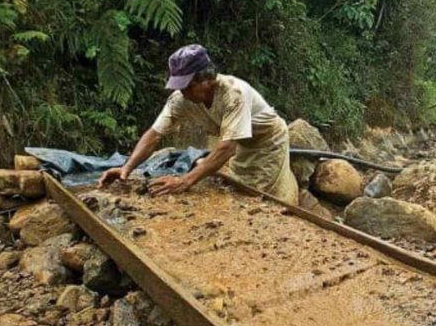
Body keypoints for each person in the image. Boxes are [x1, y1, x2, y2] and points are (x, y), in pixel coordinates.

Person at [98, 44, 298, 205]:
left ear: (207, 79)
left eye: (187, 86)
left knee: (262, 198)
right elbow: (155, 134)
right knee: (239, 189)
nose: (183, 92)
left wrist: (184, 181)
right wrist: (126, 168)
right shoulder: (181, 99)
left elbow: (227, 148)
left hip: (267, 141)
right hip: (242, 143)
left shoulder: (233, 95)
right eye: (179, 87)